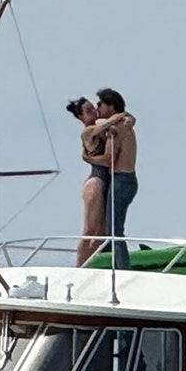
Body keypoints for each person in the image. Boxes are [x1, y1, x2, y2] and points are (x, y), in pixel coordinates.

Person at [66, 96, 136, 267]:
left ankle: (91, 265)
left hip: (108, 182)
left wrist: (128, 117)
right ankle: (79, 267)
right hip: (96, 182)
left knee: (102, 232)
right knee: (90, 231)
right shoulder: (88, 132)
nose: (94, 111)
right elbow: (106, 160)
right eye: (88, 110)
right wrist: (122, 115)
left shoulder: (103, 129)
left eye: (93, 107)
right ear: (80, 117)